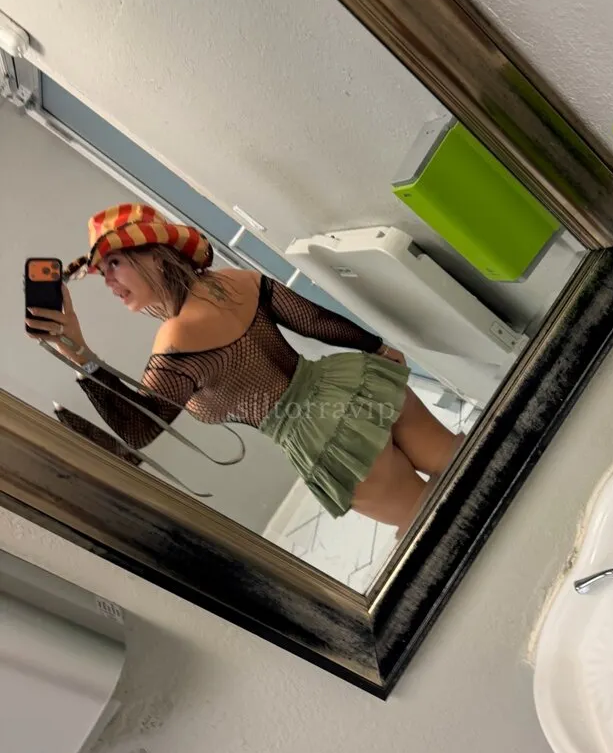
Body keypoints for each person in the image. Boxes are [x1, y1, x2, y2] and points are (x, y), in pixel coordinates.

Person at [26, 204, 463, 537]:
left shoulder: (174, 341)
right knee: (465, 466)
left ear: (156, 255)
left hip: (323, 439)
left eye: (115, 264)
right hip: (356, 384)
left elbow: (141, 428)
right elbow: (313, 320)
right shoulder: (236, 280)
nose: (108, 282)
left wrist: (79, 353)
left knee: (433, 524)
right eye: (101, 272)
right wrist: (377, 347)